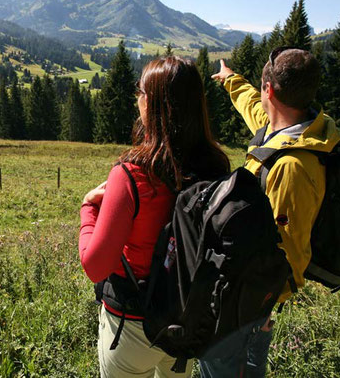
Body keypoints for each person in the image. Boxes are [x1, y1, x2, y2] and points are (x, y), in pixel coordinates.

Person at [79, 56, 230, 377]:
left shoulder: (133, 174)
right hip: (187, 320)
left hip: (133, 325)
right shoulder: (217, 167)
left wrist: (88, 209)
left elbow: (95, 267)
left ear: (153, 103)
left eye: (141, 92)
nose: (137, 99)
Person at [199, 48, 340, 377]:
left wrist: (262, 306)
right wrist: (230, 79)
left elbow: (290, 251)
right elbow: (253, 105)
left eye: (263, 87)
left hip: (250, 306)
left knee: (221, 364)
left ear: (271, 91)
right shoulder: (282, 128)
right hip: (249, 297)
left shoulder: (292, 166)